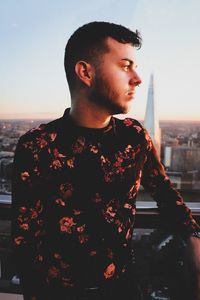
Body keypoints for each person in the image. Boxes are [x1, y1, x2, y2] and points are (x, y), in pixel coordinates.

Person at [12, 21, 200, 300]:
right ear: (85, 72)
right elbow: (24, 238)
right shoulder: (36, 145)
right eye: (125, 66)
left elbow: (164, 192)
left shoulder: (134, 137)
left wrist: (194, 236)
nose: (135, 78)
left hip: (122, 289)